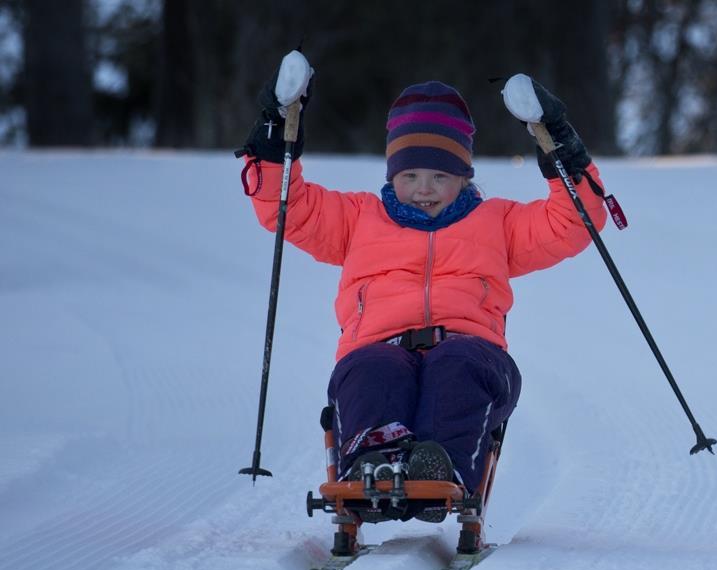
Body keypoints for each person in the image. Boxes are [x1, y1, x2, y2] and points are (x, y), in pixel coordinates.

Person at [237, 56, 607, 522]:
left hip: (472, 353)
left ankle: (439, 467)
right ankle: (374, 465)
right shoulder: (357, 219)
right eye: (410, 175)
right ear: (392, 174)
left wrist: (559, 142)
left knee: (456, 367)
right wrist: (274, 127)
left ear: (464, 176)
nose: (423, 189)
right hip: (377, 348)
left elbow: (576, 221)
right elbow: (284, 206)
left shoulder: (497, 224)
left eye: (440, 176)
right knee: (371, 368)